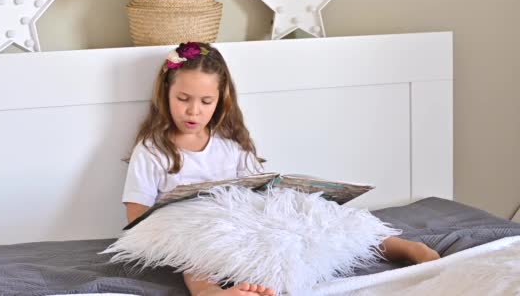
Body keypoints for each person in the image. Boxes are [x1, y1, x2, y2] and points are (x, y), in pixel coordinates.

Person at [121, 42, 439, 296]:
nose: (194, 110)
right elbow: (137, 219)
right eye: (183, 99)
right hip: (189, 227)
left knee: (316, 212)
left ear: (221, 100)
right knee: (197, 246)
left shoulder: (230, 142)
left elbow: (254, 189)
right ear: (165, 94)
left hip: (242, 218)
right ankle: (207, 291)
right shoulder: (152, 149)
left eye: (206, 101)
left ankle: (401, 247)